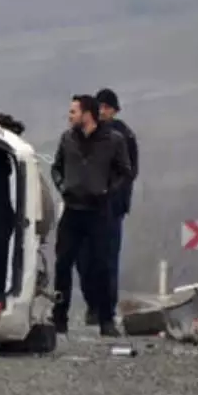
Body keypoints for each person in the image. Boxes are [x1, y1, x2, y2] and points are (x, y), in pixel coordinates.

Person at [50, 94, 132, 338]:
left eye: (73, 111)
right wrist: (63, 186)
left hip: (99, 212)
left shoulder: (114, 140)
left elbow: (124, 172)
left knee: (102, 265)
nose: (69, 115)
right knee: (63, 264)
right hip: (72, 210)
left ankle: (106, 319)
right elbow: (56, 167)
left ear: (87, 114)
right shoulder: (67, 138)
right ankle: (59, 317)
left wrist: (108, 191)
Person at [95, 87, 138, 322]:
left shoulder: (124, 136)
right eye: (99, 107)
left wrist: (112, 194)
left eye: (106, 108)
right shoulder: (85, 134)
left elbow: (130, 172)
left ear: (114, 110)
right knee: (87, 258)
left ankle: (107, 309)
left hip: (112, 206)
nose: (102, 112)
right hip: (86, 205)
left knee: (108, 258)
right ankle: (94, 305)